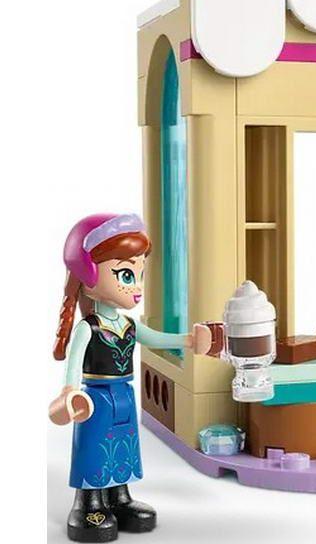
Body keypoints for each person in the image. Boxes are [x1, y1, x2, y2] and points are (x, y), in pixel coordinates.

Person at [49, 213, 213, 542]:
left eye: (139, 274)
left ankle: (119, 497)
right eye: (126, 274)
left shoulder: (128, 325)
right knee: (94, 448)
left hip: (124, 395)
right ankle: (89, 502)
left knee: (123, 447)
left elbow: (156, 339)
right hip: (95, 401)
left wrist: (189, 341)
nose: (136, 287)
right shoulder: (89, 328)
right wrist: (69, 393)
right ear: (89, 274)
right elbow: (73, 366)